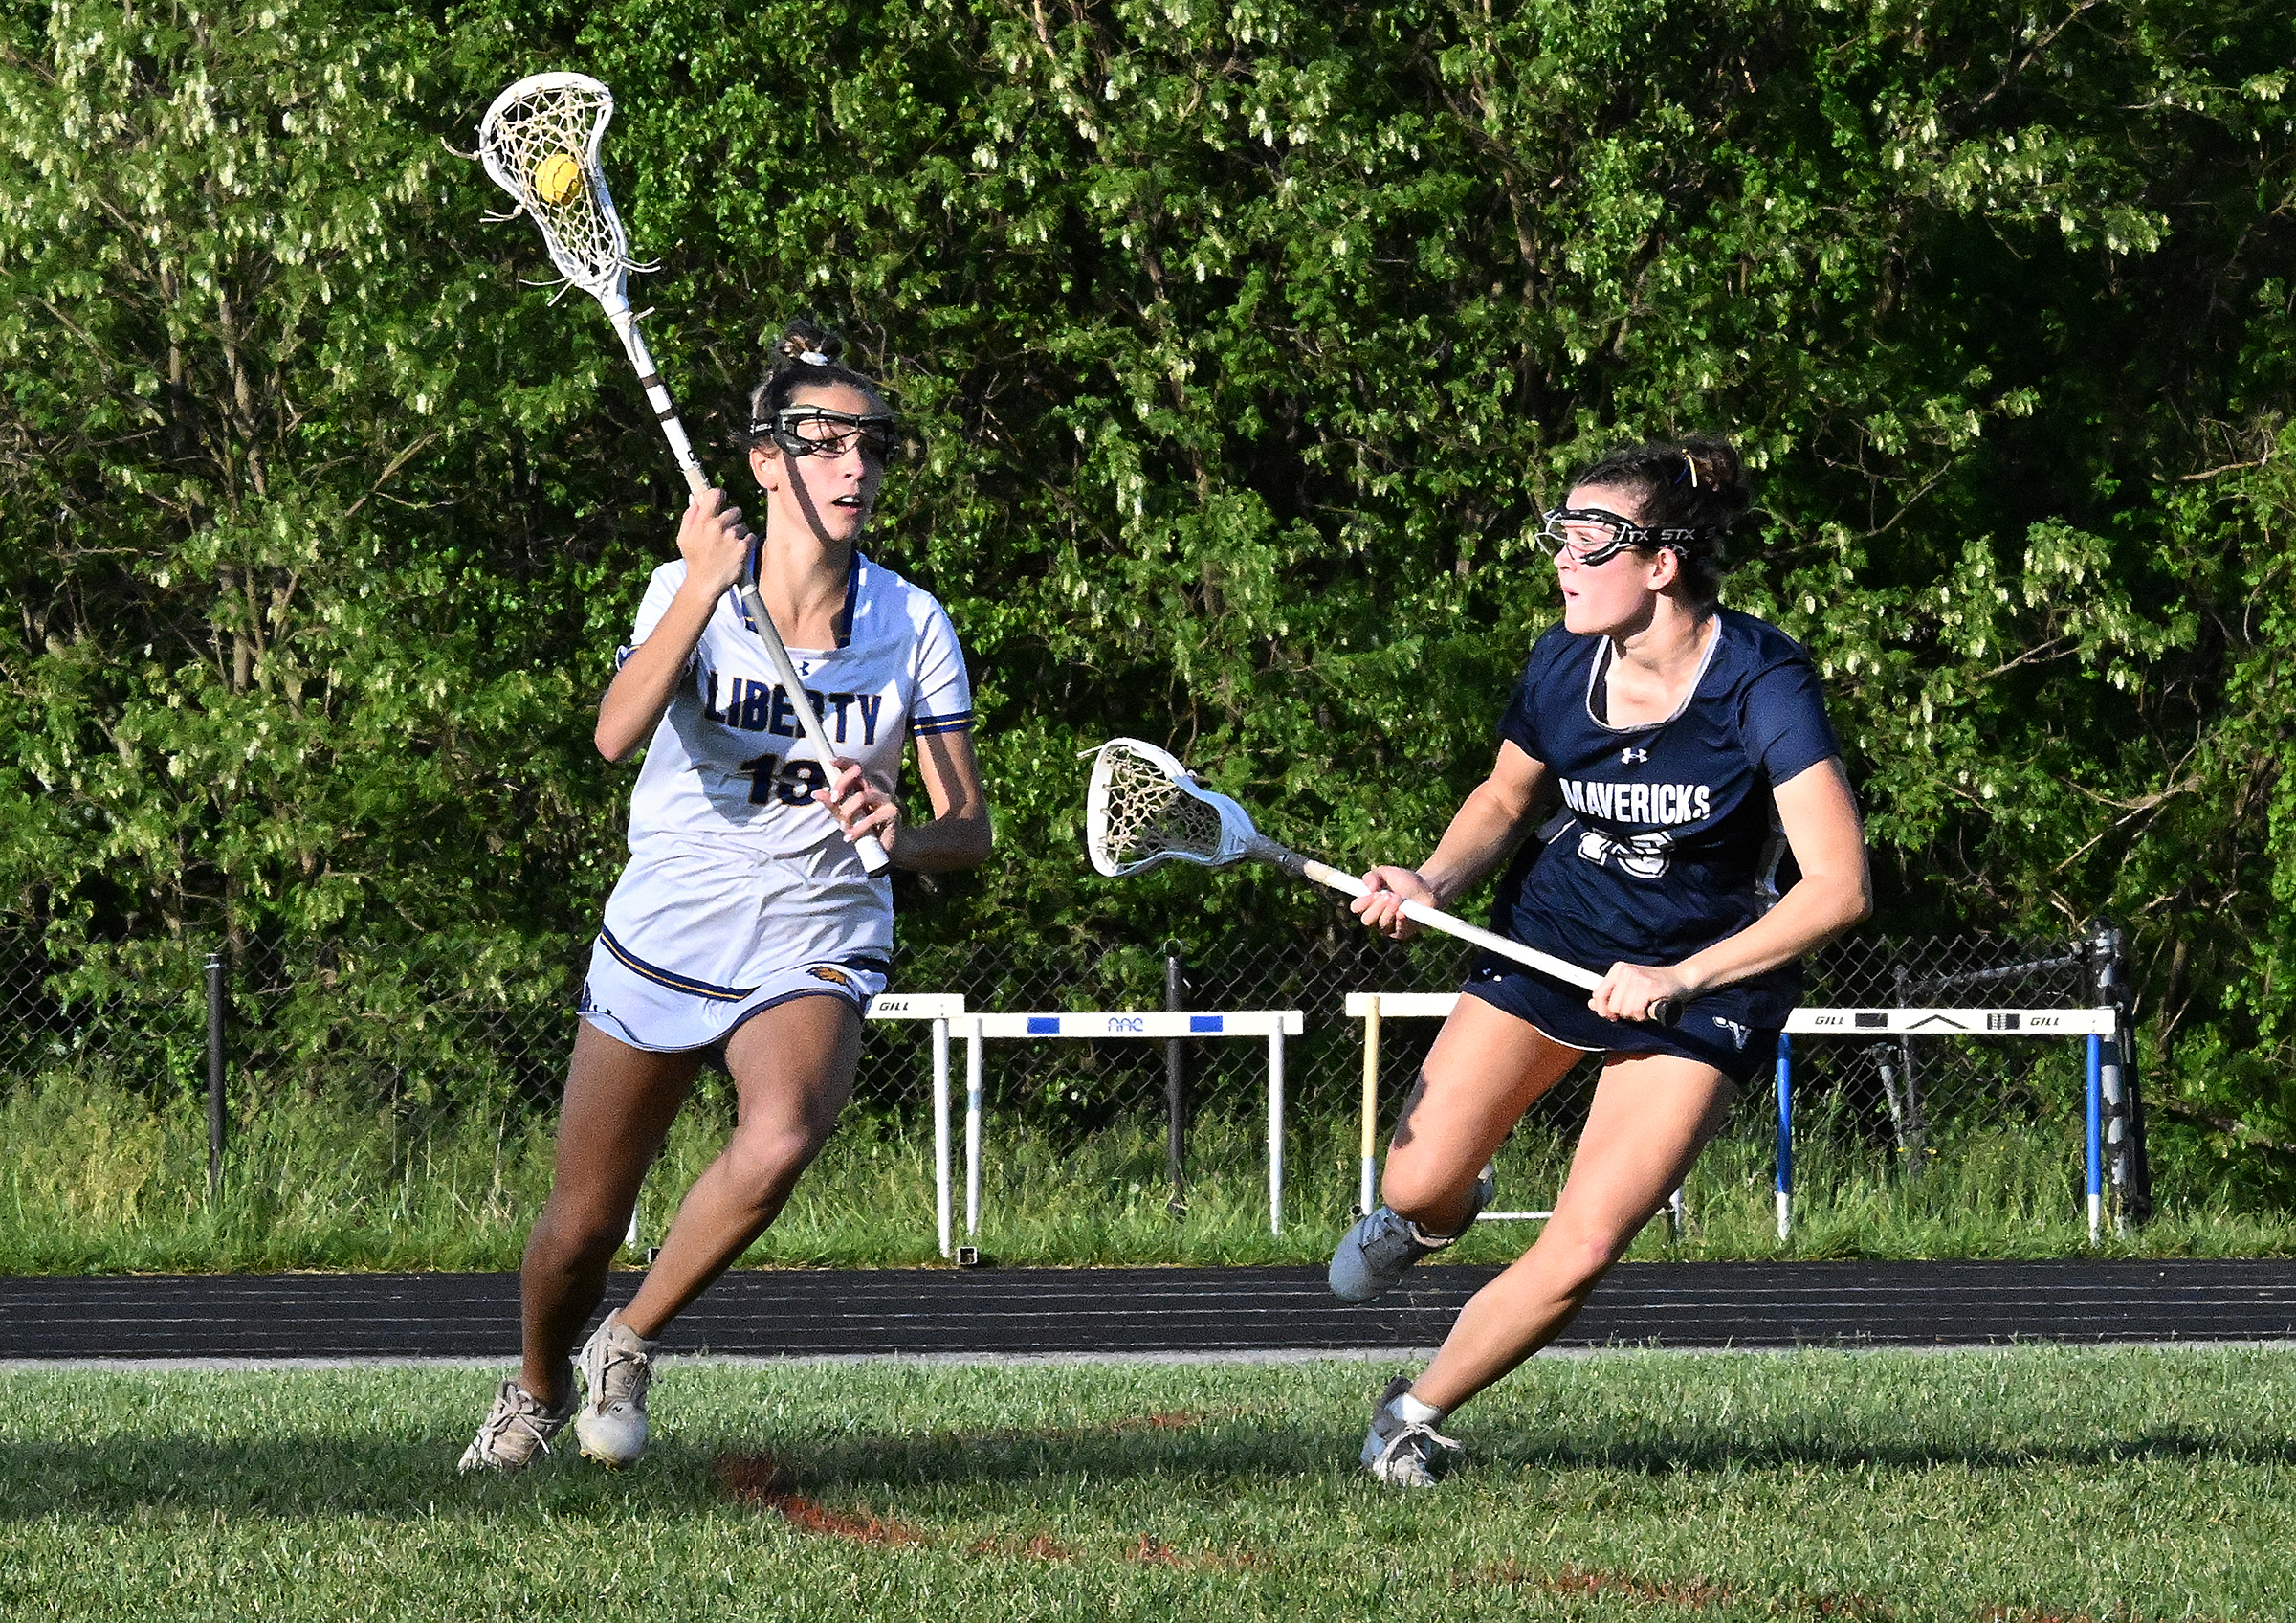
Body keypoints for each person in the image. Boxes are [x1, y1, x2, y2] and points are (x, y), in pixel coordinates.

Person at [461, 322, 992, 1473]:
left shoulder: (913, 624)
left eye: (873, 445)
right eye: (826, 441)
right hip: (668, 929)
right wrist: (702, 586)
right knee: (579, 1228)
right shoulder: (690, 586)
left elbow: (969, 833)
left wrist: (902, 837)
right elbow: (613, 735)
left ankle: (632, 1341)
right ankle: (539, 1387)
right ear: (766, 461)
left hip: (818, 928)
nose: (856, 467)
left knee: (782, 1133)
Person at [1327, 435, 1869, 1487]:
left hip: (1700, 984)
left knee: (1583, 1241)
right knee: (1417, 1180)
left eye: (1586, 542)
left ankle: (1409, 1414)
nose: (1562, 562)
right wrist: (1435, 880)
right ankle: (1437, 1207)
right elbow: (1504, 799)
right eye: (1560, 538)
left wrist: (1684, 978)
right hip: (1551, 943)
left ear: (1659, 563)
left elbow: (1839, 886)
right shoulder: (1561, 659)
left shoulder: (1762, 680)